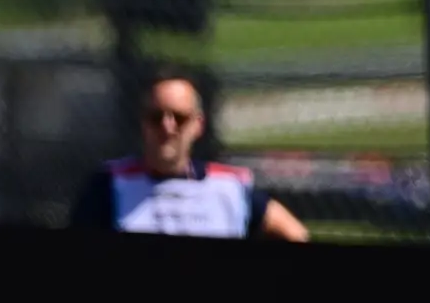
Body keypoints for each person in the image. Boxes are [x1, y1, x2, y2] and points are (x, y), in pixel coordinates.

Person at [68, 72, 310, 240]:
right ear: (143, 123)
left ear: (198, 125)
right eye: (156, 117)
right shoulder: (108, 185)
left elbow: (294, 232)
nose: (167, 127)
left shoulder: (228, 187)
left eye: (179, 118)